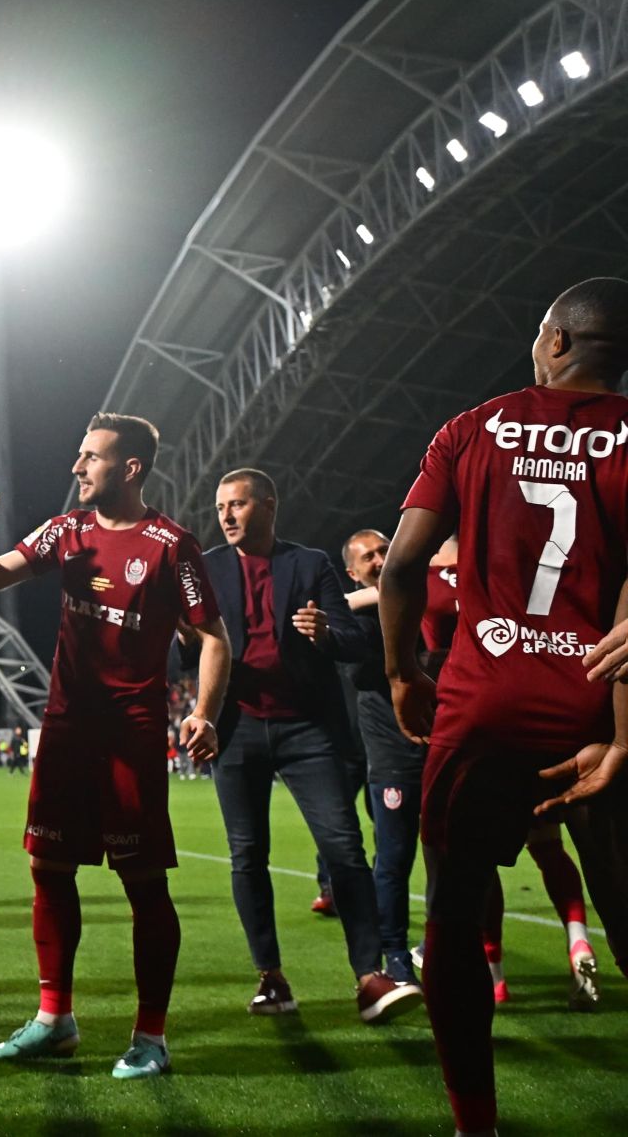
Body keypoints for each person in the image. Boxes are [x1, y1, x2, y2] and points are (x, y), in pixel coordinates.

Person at [380, 277, 628, 1137]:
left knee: (453, 911)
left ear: (557, 340)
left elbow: (401, 567)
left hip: (482, 705)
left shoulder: (472, 427)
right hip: (599, 716)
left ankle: (474, 1124)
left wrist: (404, 672)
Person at [0, 413, 229, 1081]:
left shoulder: (171, 546)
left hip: (130, 733)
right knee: (48, 867)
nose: (77, 466)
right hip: (66, 727)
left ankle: (151, 1036)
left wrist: (204, 712)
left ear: (129, 468)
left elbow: (213, 638)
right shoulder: (66, 531)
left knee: (143, 881)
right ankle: (55, 1019)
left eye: (91, 456)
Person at [194, 470, 415, 1022]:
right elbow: (192, 651)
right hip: (237, 727)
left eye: (237, 504)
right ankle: (270, 978)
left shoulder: (310, 563)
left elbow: (357, 638)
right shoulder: (207, 568)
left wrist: (326, 634)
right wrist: (182, 641)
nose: (226, 516)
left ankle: (369, 976)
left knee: (343, 848)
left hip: (308, 729)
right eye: (220, 507)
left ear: (268, 505)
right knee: (247, 855)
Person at [338, 528, 427, 992]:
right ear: (353, 572)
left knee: (458, 857)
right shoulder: (354, 624)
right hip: (392, 758)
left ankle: (442, 943)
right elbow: (337, 617)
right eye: (367, 557)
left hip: (442, 747)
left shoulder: (423, 600)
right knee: (393, 860)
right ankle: (394, 955)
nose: (378, 559)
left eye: (383, 551)